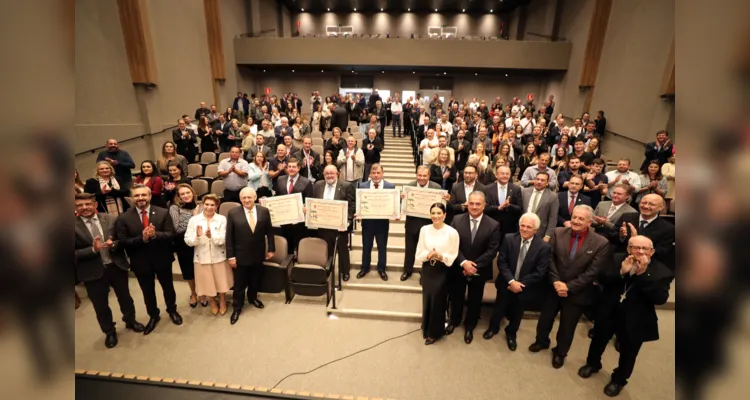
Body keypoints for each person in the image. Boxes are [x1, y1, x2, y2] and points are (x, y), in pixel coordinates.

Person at [578, 236, 673, 397]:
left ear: (652, 252)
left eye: (645, 249)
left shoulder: (662, 271)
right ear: (629, 249)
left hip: (636, 318)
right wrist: (621, 272)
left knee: (629, 353)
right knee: (598, 340)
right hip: (609, 311)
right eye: (636, 247)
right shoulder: (616, 259)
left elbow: (660, 298)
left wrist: (642, 274)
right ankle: (593, 364)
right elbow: (601, 278)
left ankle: (619, 380)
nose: (640, 251)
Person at [530, 205, 610, 369]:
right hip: (553, 286)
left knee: (567, 326)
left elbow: (592, 272)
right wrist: (556, 282)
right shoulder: (558, 233)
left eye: (581, 218)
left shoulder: (600, 242)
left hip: (577, 292)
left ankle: (560, 353)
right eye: (574, 217)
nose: (576, 221)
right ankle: (541, 341)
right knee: (545, 319)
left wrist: (568, 286)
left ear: (589, 222)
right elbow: (549, 259)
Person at [74, 193, 145, 348]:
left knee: (125, 298)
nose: (84, 208)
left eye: (87, 204)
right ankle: (109, 332)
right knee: (100, 305)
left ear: (95, 205)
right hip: (92, 271)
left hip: (116, 266)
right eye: (80, 205)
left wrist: (114, 244)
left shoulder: (111, 219)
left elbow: (122, 239)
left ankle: (130, 321)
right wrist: (92, 249)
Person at [115, 184, 182, 335]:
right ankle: (154, 315)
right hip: (140, 261)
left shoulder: (163, 212)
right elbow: (123, 241)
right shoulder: (124, 217)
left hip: (162, 258)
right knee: (147, 291)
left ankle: (172, 310)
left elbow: (171, 234)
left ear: (150, 196)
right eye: (137, 196)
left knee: (168, 288)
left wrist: (154, 235)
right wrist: (143, 238)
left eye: (143, 195)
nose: (140, 198)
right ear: (132, 198)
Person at [483, 213, 551, 350]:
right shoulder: (508, 238)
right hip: (505, 284)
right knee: (499, 308)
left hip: (525, 288)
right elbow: (502, 261)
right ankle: (493, 328)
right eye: (522, 225)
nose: (524, 229)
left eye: (529, 227)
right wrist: (511, 281)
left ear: (536, 229)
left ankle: (511, 334)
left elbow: (540, 271)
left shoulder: (543, 247)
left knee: (517, 313)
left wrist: (519, 284)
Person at [446, 191, 500, 344]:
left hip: (479, 270)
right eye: (471, 203)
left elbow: (492, 250)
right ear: (467, 204)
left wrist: (473, 266)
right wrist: (464, 263)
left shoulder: (493, 225)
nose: (474, 207)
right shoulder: (456, 220)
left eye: (478, 204)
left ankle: (470, 326)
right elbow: (452, 245)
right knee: (456, 296)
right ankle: (454, 321)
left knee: (475, 299)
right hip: (458, 267)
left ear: (484, 205)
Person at [226, 187, 275, 324]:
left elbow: (269, 231)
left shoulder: (264, 211)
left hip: (259, 253)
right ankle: (237, 307)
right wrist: (231, 256)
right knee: (240, 284)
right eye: (244, 198)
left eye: (249, 197)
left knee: (255, 279)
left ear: (255, 197)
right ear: (240, 199)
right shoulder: (233, 213)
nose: (246, 200)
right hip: (240, 255)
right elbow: (229, 237)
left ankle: (253, 298)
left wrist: (271, 248)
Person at [415, 203, 459, 345]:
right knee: (427, 298)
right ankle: (426, 327)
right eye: (433, 213)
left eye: (439, 213)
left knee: (438, 301)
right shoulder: (424, 230)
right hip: (428, 269)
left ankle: (434, 332)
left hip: (443, 270)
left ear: (445, 215)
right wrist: (429, 255)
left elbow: (453, 254)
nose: (436, 216)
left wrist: (440, 256)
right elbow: (419, 251)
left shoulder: (452, 232)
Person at [184, 194, 233, 316]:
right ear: (202, 205)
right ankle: (212, 301)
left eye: (212, 205)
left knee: (221, 281)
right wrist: (198, 236)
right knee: (207, 282)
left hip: (218, 256)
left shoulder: (222, 219)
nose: (209, 207)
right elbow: (188, 240)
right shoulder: (193, 220)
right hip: (201, 256)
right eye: (206, 204)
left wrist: (212, 236)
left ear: (217, 206)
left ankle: (222, 300)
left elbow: (223, 239)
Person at [400, 166, 445, 281]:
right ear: (416, 175)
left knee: (428, 250)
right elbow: (402, 206)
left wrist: (446, 199)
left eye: (424, 175)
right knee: (410, 249)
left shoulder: (437, 188)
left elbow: (441, 207)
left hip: (429, 225)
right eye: (419, 175)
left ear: (429, 175)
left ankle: (424, 273)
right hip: (412, 224)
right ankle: (407, 271)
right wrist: (401, 199)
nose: (422, 178)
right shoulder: (408, 187)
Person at [311, 165, 356, 281]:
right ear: (324, 175)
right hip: (323, 225)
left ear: (337, 174)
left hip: (340, 226)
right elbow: (313, 202)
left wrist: (348, 221)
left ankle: (345, 271)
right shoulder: (317, 185)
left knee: (342, 249)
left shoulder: (346, 186)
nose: (329, 175)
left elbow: (352, 205)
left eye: (332, 173)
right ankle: (328, 270)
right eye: (327, 173)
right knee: (326, 249)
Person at [610, 194, 675, 272]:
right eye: (643, 203)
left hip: (647, 267)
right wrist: (621, 236)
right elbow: (611, 237)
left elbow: (662, 252)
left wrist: (636, 240)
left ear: (661, 207)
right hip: (620, 262)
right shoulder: (627, 217)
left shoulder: (668, 228)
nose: (646, 206)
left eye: (651, 204)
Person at [356, 164, 395, 281]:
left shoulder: (390, 186)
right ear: (370, 174)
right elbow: (359, 203)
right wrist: (358, 212)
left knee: (382, 247)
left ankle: (381, 269)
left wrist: (395, 212)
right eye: (374, 173)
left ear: (382, 173)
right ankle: (365, 268)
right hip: (367, 223)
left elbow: (393, 204)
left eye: (378, 173)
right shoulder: (362, 186)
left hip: (382, 224)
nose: (376, 175)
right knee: (366, 247)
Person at [169, 184, 203, 308]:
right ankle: (193, 294)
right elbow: (177, 228)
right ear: (178, 196)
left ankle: (203, 293)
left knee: (201, 269)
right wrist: (193, 218)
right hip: (183, 244)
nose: (186, 195)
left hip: (199, 242)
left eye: (188, 192)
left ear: (192, 193)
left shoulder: (201, 205)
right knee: (188, 271)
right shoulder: (174, 208)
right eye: (182, 194)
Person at [275, 158, 313, 253]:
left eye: (294, 167)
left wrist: (305, 208)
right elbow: (277, 197)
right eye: (289, 167)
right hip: (284, 219)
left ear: (299, 168)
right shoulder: (280, 180)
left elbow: (309, 200)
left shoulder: (306, 182)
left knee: (299, 245)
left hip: (299, 221)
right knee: (287, 245)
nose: (291, 169)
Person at [484, 165, 523, 243]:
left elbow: (520, 209)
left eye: (507, 174)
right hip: (492, 225)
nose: (505, 176)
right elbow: (484, 208)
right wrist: (498, 208)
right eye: (502, 173)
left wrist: (509, 206)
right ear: (496, 175)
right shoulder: (487, 189)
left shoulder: (516, 189)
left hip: (510, 227)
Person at [521, 171, 559, 241]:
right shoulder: (524, 192)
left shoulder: (553, 196)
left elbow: (553, 218)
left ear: (547, 183)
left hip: (539, 232)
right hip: (522, 229)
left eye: (542, 180)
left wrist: (548, 235)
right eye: (537, 179)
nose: (539, 182)